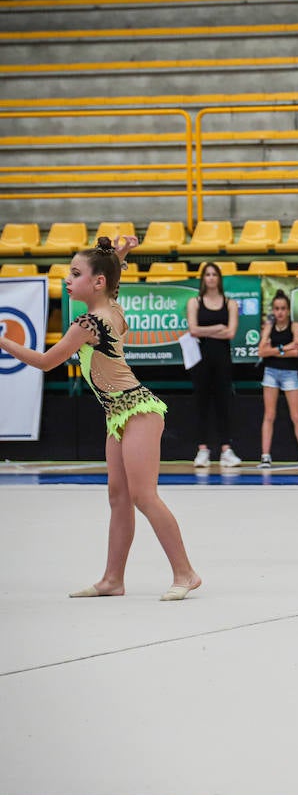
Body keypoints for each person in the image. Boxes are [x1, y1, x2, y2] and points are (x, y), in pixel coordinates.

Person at [0, 236, 200, 600]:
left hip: (138, 410)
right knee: (118, 496)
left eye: (75, 274)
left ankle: (185, 572)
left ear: (97, 282)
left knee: (143, 496)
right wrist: (117, 257)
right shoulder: (113, 310)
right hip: (117, 415)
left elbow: (46, 362)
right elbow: (111, 288)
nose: (67, 280)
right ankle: (113, 579)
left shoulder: (89, 324)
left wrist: (6, 342)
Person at [187, 262, 241, 468]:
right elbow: (193, 330)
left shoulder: (230, 303)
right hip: (201, 359)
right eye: (207, 274)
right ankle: (203, 450)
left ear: (219, 278)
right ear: (203, 279)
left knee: (223, 403)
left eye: (214, 274)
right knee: (202, 403)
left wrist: (206, 330)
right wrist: (218, 327)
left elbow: (231, 333)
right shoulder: (195, 302)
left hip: (223, 358)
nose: (210, 278)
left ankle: (226, 450)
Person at [256, 288, 298, 468]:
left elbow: (296, 351)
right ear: (272, 311)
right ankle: (265, 455)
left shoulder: (295, 325)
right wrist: (284, 348)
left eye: (283, 308)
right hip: (271, 373)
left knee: (296, 415)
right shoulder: (268, 327)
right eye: (276, 309)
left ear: (288, 310)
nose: (279, 312)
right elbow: (261, 351)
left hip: (290, 373)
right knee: (269, 415)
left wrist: (274, 350)